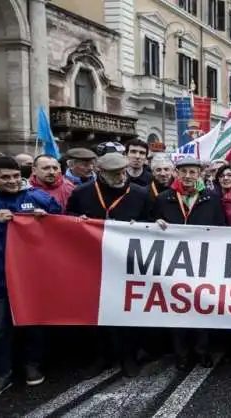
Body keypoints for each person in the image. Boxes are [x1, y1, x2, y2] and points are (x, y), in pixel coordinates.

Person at [66, 153, 153, 377]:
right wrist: (78, 222)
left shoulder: (140, 193)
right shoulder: (82, 193)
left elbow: (153, 223)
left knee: (127, 310)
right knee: (97, 311)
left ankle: (128, 357)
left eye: (123, 172)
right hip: (92, 262)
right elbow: (68, 220)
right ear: (101, 172)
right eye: (114, 174)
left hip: (128, 262)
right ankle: (101, 357)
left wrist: (141, 226)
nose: (120, 176)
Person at [0, 156, 61, 400]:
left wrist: (46, 220)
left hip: (30, 278)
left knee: (32, 323)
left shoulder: (37, 197)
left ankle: (32, 364)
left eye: (16, 176)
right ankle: (2, 373)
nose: (12, 181)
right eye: (5, 177)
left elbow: (63, 224)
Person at [152, 156, 225, 370]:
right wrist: (155, 224)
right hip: (173, 263)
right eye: (184, 172)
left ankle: (201, 351)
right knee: (177, 308)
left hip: (203, 262)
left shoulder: (211, 198)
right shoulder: (164, 198)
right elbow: (148, 225)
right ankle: (181, 354)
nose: (188, 176)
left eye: (193, 172)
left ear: (199, 174)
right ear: (177, 173)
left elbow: (220, 227)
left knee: (201, 307)